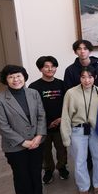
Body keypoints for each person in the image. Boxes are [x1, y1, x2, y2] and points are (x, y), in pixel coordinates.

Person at [0, 65, 48, 194]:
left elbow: (41, 115)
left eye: (18, 76)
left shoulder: (33, 93)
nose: (15, 79)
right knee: (21, 175)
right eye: (11, 77)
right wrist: (23, 142)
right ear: (6, 80)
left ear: (24, 77)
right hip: (15, 146)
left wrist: (39, 135)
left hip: (37, 141)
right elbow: (2, 126)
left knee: (36, 171)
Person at [60, 66, 98, 194]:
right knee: (80, 160)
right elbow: (65, 116)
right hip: (77, 130)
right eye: (83, 77)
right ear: (79, 78)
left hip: (96, 130)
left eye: (90, 77)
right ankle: (83, 186)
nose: (87, 80)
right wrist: (66, 137)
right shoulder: (71, 93)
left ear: (95, 78)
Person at [64, 39, 98, 171]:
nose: (82, 51)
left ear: (90, 50)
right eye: (79, 49)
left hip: (94, 119)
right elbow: (69, 94)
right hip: (79, 117)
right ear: (75, 51)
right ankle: (84, 180)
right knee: (81, 158)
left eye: (85, 48)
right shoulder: (70, 70)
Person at [29, 56, 69, 184]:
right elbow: (32, 109)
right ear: (40, 68)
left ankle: (62, 167)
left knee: (61, 149)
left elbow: (67, 104)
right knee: (45, 151)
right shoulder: (34, 86)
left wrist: (61, 119)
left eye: (53, 66)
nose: (50, 69)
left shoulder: (61, 84)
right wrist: (46, 123)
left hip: (59, 123)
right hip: (42, 127)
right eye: (46, 66)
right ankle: (48, 170)